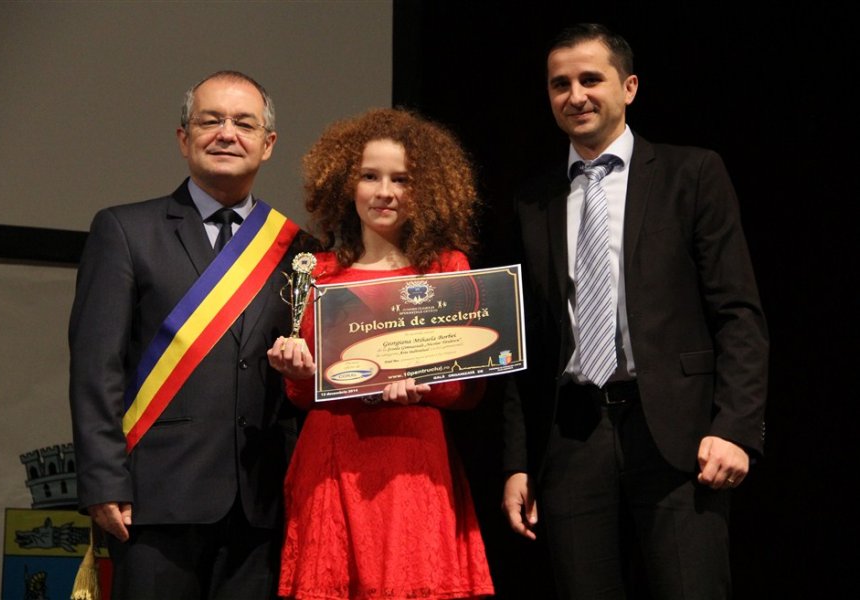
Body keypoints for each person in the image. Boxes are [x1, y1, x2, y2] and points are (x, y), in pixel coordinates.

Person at [501, 23, 769, 599]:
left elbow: (739, 314)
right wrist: (517, 461)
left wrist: (735, 428)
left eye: (590, 79)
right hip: (572, 437)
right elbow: (527, 342)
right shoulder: (533, 200)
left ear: (629, 87)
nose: (575, 95)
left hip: (680, 434)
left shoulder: (691, 174)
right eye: (560, 84)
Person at [69, 70, 311, 598]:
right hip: (154, 501)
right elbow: (96, 369)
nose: (227, 133)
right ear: (184, 138)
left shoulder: (298, 250)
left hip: (262, 506)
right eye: (210, 121)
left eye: (244, 123)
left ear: (268, 144)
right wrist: (103, 480)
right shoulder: (125, 230)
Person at [267, 108, 495, 599]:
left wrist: (425, 389)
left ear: (425, 189)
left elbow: (468, 391)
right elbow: (303, 397)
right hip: (334, 459)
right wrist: (297, 373)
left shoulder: (447, 269)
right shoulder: (317, 272)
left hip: (413, 461)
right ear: (346, 185)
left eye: (401, 179)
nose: (384, 192)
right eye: (370, 176)